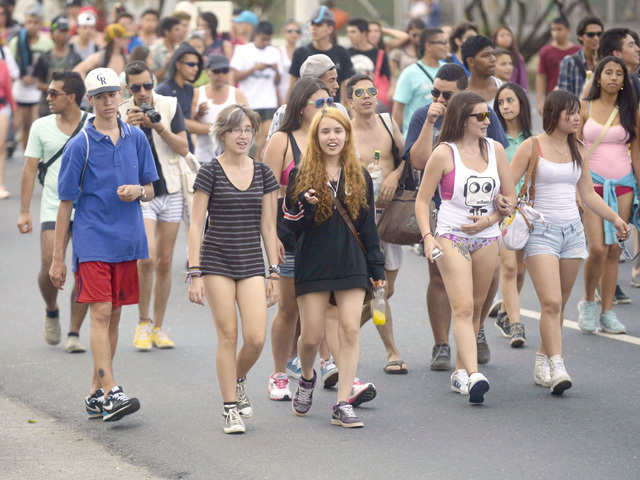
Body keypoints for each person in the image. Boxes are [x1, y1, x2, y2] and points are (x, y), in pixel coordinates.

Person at [50, 67, 158, 421]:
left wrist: (138, 192)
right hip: (92, 237)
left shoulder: (137, 138)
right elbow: (65, 203)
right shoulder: (79, 144)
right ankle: (112, 389)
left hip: (128, 240)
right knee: (99, 312)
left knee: (112, 317)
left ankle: (96, 392)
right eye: (100, 96)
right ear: (90, 101)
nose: (108, 102)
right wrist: (58, 259)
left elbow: (152, 187)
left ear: (121, 95)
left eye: (113, 94)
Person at [510, 89, 630, 394]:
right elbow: (507, 187)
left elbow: (588, 194)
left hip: (572, 233)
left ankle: (542, 360)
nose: (577, 118)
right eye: (570, 113)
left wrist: (615, 219)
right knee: (550, 302)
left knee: (558, 305)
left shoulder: (578, 148)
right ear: (554, 114)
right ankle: (559, 365)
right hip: (541, 232)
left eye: (578, 112)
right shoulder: (532, 146)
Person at [283, 107, 385, 428]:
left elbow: (367, 228)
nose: (332, 138)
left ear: (347, 135)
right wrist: (306, 207)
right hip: (313, 262)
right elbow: (288, 229)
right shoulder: (300, 175)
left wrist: (377, 270)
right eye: (326, 132)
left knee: (350, 329)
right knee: (311, 337)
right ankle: (308, 376)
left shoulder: (360, 175)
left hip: (351, 262)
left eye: (338, 132)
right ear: (316, 136)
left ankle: (343, 403)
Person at [403, 63, 509, 370]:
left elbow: (498, 159)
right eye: (435, 92)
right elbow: (419, 161)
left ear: (462, 95)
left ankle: (474, 332)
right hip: (443, 207)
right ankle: (442, 343)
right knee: (439, 278)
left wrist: (496, 211)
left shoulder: (482, 118)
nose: (439, 98)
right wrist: (430, 123)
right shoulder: (425, 114)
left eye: (446, 94)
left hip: (483, 218)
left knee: (486, 282)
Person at [415, 91, 515, 404]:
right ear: (462, 119)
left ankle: (460, 372)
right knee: (463, 307)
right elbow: (422, 200)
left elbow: (510, 201)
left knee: (476, 307)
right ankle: (473, 375)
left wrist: (491, 219)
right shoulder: (444, 153)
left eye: (489, 115)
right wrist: (429, 237)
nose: (488, 121)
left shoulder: (496, 150)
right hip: (451, 235)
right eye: (481, 116)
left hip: (486, 236)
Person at [187, 104, 280, 434]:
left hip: (251, 261)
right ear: (222, 134)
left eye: (248, 130)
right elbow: (196, 224)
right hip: (216, 262)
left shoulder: (264, 173)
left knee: (255, 337)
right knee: (228, 335)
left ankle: (237, 379)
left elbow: (269, 228)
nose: (243, 136)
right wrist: (195, 272)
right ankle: (230, 407)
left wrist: (274, 273)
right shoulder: (209, 172)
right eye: (236, 130)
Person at [263, 78, 332, 400]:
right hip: (289, 234)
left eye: (329, 101)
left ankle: (326, 363)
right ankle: (278, 374)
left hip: (323, 234)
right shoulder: (282, 140)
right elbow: (265, 192)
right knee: (289, 309)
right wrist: (270, 235)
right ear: (301, 106)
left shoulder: (329, 136)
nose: (326, 108)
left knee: (322, 305)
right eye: (319, 103)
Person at [119, 60, 190, 350]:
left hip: (170, 189)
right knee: (145, 258)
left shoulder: (169, 105)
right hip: (142, 192)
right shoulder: (121, 111)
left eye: (147, 85)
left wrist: (157, 126)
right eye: (136, 88)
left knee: (163, 261)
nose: (143, 92)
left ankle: (159, 326)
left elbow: (184, 148)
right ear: (128, 88)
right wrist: (127, 128)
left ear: (154, 80)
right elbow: (112, 152)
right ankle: (142, 321)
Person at [17, 70, 88, 349]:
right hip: (52, 205)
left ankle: (73, 332)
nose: (47, 97)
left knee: (85, 271)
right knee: (49, 267)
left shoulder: (93, 124)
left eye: (53, 93)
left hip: (87, 209)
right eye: (48, 92)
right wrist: (24, 211)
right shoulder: (41, 127)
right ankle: (51, 309)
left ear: (71, 97)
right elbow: (29, 169)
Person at [347, 73, 409, 374]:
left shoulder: (387, 122)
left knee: (387, 290)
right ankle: (392, 351)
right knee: (376, 288)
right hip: (359, 217)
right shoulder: (343, 131)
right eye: (360, 93)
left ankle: (338, 333)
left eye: (371, 91)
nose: (368, 96)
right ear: (349, 101)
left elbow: (407, 157)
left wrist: (395, 175)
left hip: (391, 215)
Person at [576, 57, 640, 335]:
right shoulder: (583, 107)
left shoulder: (631, 112)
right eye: (608, 72)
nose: (613, 77)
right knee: (597, 249)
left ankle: (608, 312)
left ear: (625, 82)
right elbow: (574, 147)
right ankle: (588, 302)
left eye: (619, 74)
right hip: (592, 185)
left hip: (624, 184)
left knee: (614, 249)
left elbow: (636, 151)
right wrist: (574, 186)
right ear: (598, 77)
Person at [492, 82, 533, 347]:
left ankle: (506, 311)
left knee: (520, 270)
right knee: (508, 266)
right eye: (501, 102)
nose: (505, 107)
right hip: (500, 208)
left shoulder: (532, 139)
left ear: (521, 103)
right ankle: (516, 324)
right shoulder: (493, 141)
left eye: (510, 101)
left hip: (527, 210)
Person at [267, 54, 349, 142]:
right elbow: (270, 149)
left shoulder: (340, 110)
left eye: (336, 79)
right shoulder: (284, 113)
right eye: (331, 80)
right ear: (314, 83)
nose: (337, 86)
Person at [230, 20, 280, 160]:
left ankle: (258, 164)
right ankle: (250, 162)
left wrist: (276, 71)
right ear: (256, 35)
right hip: (250, 102)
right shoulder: (243, 50)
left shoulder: (274, 52)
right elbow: (234, 77)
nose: (265, 43)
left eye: (268, 40)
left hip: (269, 102)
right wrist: (254, 69)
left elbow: (278, 82)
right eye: (263, 39)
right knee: (252, 137)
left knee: (266, 136)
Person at [9, 4, 53, 150]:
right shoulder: (17, 42)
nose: (32, 26)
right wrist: (20, 77)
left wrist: (37, 79)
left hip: (38, 87)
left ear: (40, 24)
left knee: (37, 122)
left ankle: (39, 151)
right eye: (29, 22)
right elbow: (10, 63)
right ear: (24, 23)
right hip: (21, 87)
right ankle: (26, 153)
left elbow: (49, 64)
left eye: (35, 22)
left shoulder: (46, 42)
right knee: (25, 125)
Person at [288, 6, 354, 102]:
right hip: (307, 109)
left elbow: (345, 86)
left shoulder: (342, 53)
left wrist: (346, 112)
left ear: (330, 29)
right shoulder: (300, 52)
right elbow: (293, 87)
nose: (313, 28)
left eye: (318, 25)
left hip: (333, 109)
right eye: (312, 24)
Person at [392, 27, 447, 135]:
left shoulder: (449, 69)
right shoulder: (409, 73)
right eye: (442, 43)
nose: (447, 46)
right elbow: (398, 111)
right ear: (428, 46)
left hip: (444, 139)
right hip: (415, 140)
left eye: (447, 42)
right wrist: (396, 141)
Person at [193, 54, 248, 162]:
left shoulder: (237, 94)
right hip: (203, 158)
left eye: (225, 71)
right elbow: (188, 124)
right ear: (207, 71)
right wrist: (198, 114)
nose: (221, 75)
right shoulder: (197, 93)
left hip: (232, 159)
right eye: (216, 71)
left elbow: (248, 123)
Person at [156, 41, 204, 154]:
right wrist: (213, 128)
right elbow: (180, 122)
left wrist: (198, 116)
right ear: (178, 65)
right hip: (170, 150)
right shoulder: (163, 90)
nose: (196, 68)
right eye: (191, 64)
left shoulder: (189, 89)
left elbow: (188, 120)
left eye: (197, 65)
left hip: (188, 149)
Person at [34, 16, 82, 117]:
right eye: (60, 31)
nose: (63, 35)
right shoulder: (44, 58)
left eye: (65, 31)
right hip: (47, 105)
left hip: (69, 105)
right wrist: (55, 90)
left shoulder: (75, 57)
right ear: (52, 34)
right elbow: (38, 83)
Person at [536, 17, 580, 115]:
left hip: (574, 100)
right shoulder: (545, 51)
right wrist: (540, 102)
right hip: (552, 99)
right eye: (553, 29)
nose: (555, 33)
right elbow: (541, 77)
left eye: (559, 29)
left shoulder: (577, 51)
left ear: (568, 30)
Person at [346, 18, 391, 107]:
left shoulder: (379, 54)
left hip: (372, 98)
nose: (349, 35)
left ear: (363, 33)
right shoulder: (346, 53)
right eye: (348, 32)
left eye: (353, 32)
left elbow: (388, 77)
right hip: (351, 99)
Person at [557, 17, 603, 97]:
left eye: (599, 34)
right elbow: (563, 98)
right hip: (577, 108)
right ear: (580, 37)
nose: (596, 38)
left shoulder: (607, 62)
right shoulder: (569, 62)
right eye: (590, 35)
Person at [597, 28, 640, 99]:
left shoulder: (635, 82)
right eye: (631, 45)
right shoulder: (599, 85)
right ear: (617, 53)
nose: (638, 49)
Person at [462, 35, 502, 105]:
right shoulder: (461, 95)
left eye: (493, 54)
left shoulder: (502, 88)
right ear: (471, 61)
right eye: (486, 55)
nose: (493, 59)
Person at [492, 26, 528, 90]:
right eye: (502, 35)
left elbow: (523, 80)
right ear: (495, 39)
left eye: (508, 35)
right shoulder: (491, 56)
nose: (506, 38)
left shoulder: (518, 57)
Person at [150, 17, 183, 82]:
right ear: (167, 32)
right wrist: (166, 66)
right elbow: (152, 79)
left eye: (180, 30)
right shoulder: (154, 51)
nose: (180, 33)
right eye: (176, 30)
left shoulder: (180, 49)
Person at [0, 54, 15, 198]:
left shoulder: (3, 64)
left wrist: (14, 109)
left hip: (2, 107)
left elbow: (8, 88)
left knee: (1, 145)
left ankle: (0, 184)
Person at [277, 20, 301, 106]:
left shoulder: (302, 51)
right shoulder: (279, 51)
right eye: (290, 31)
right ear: (284, 33)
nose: (294, 34)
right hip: (281, 91)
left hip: (297, 93)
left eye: (297, 31)